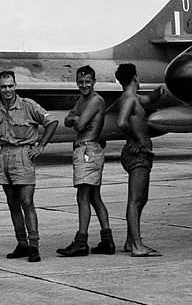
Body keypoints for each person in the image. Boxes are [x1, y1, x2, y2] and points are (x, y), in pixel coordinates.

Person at [0, 70, 58, 263]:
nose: (7, 90)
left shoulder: (28, 106)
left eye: (11, 86)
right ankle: (22, 243)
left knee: (26, 202)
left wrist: (41, 146)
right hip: (4, 156)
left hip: (23, 155)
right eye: (4, 86)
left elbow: (51, 122)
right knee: (12, 203)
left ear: (15, 86)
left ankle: (34, 246)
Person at [57, 65, 115, 257]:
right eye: (80, 82)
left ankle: (81, 241)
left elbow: (79, 124)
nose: (84, 85)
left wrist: (76, 118)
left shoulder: (96, 100)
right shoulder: (83, 100)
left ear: (94, 82)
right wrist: (75, 118)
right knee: (94, 197)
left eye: (87, 82)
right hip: (87, 149)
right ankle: (107, 240)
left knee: (83, 196)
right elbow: (67, 120)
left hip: (87, 150)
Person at [115, 63, 165, 257]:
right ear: (136, 77)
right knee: (135, 201)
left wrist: (161, 90)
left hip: (139, 153)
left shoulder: (132, 98)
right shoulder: (129, 99)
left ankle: (130, 241)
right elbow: (121, 121)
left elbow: (149, 98)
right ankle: (137, 246)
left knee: (140, 199)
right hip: (137, 153)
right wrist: (136, 139)